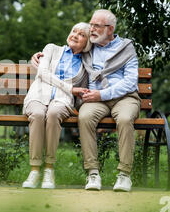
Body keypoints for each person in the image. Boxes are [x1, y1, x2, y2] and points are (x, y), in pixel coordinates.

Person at [32, 10, 141, 192]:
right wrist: (38, 57)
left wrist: (102, 94)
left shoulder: (126, 48)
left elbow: (130, 82)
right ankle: (93, 173)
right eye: (91, 25)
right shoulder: (89, 47)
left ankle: (124, 175)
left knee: (124, 119)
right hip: (95, 99)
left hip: (125, 98)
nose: (92, 29)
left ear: (110, 29)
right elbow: (66, 52)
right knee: (84, 117)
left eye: (96, 26)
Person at [22, 23, 91, 189]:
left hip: (62, 101)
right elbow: (43, 73)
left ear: (87, 43)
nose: (75, 35)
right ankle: (34, 170)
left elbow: (83, 91)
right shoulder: (51, 49)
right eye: (74, 31)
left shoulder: (86, 63)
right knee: (38, 115)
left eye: (81, 34)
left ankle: (49, 169)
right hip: (37, 95)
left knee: (53, 114)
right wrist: (70, 89)